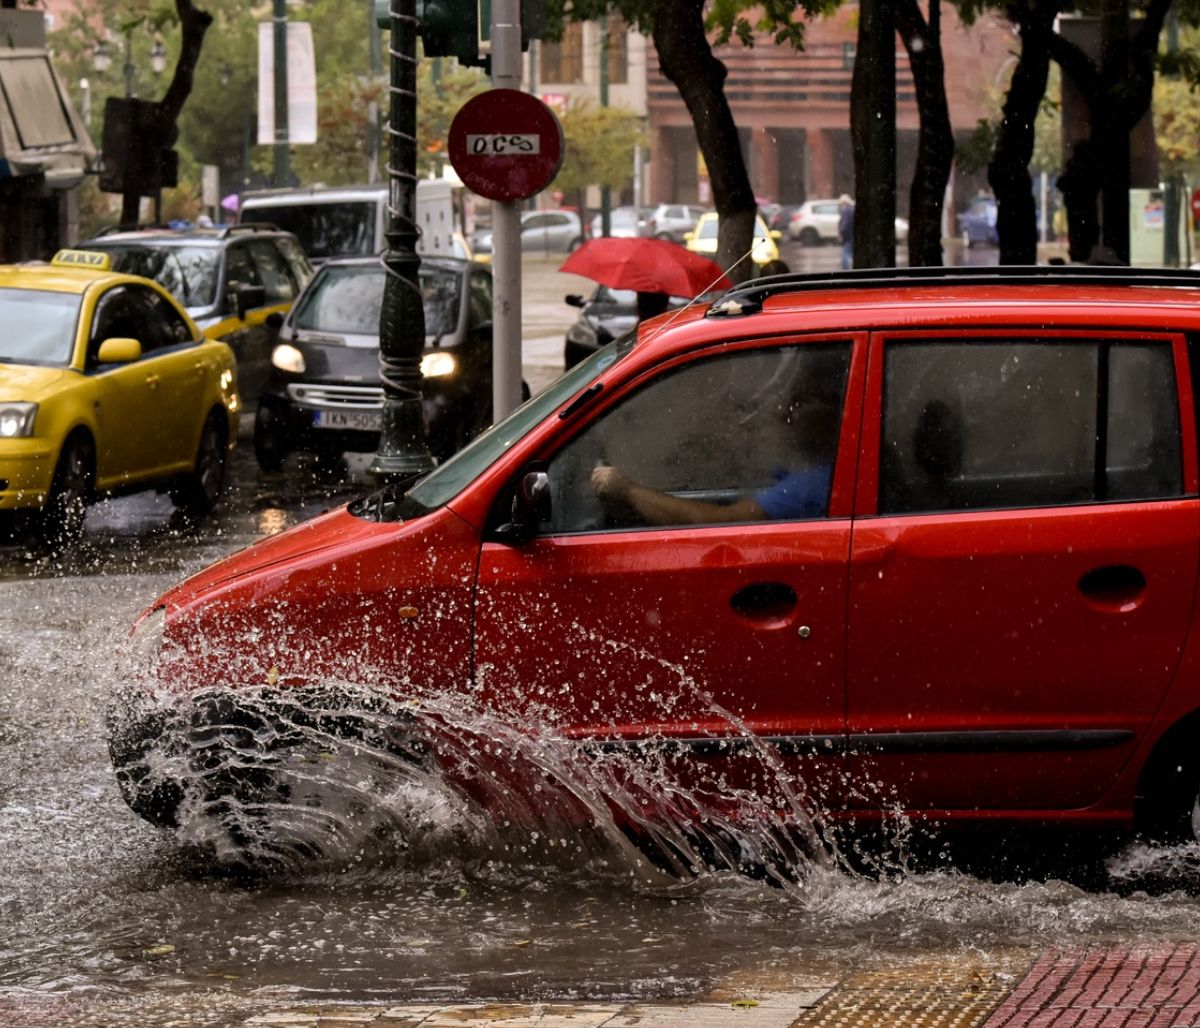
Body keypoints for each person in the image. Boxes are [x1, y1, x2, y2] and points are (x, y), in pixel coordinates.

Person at [589, 398, 837, 526]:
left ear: (827, 417)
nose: (785, 414)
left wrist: (627, 490)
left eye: (802, 404)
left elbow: (722, 522)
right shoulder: (813, 470)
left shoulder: (809, 486)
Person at [837, 194, 855, 270]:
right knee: (850, 254)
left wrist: (841, 233)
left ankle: (846, 272)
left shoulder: (846, 211)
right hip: (853, 237)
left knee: (846, 255)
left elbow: (845, 224)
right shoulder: (853, 209)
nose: (840, 207)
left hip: (848, 238)